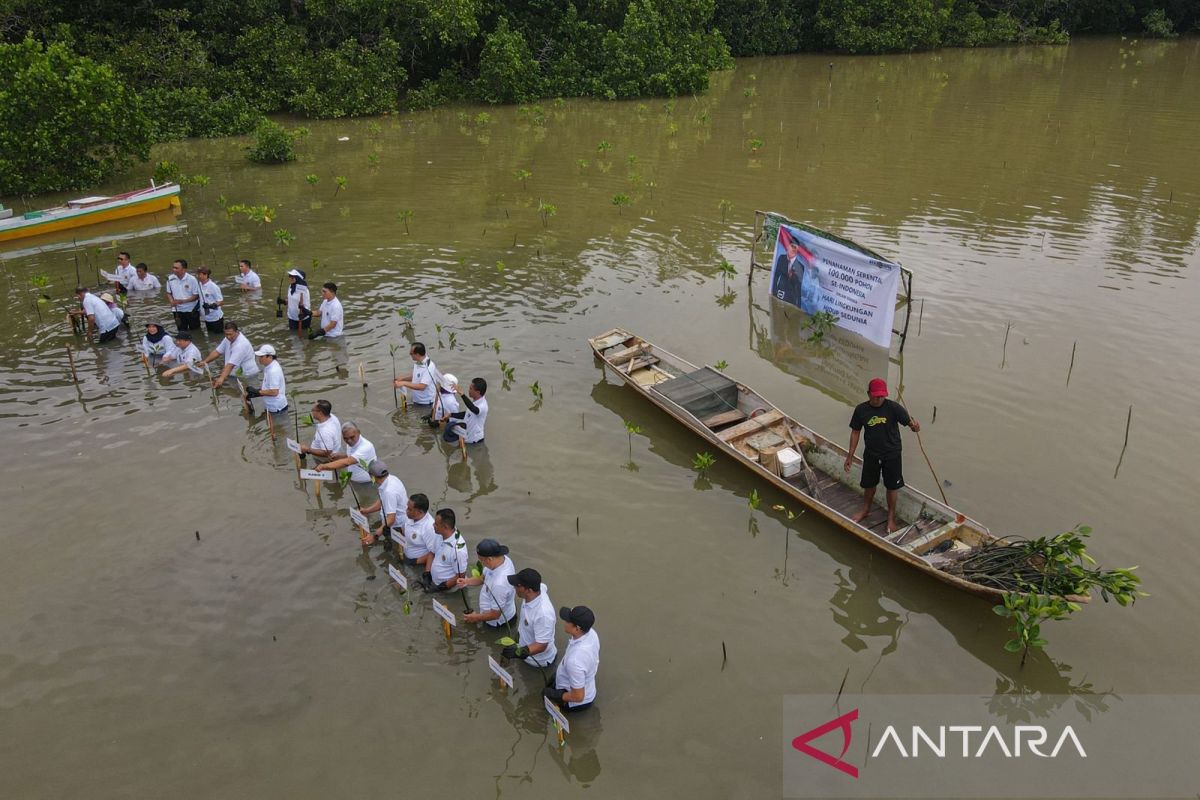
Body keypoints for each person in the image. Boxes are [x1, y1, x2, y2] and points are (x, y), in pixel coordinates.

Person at [844, 378, 921, 533]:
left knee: (892, 486)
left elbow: (911, 426)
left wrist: (915, 427)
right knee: (869, 484)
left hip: (892, 454)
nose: (879, 399)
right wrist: (850, 455)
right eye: (875, 396)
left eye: (881, 396)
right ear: (868, 394)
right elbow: (855, 432)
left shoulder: (894, 408)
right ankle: (865, 510)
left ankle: (891, 517)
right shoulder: (861, 410)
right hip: (872, 453)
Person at [544, 606, 600, 712]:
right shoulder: (591, 634)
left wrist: (558, 696)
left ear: (577, 628)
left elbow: (578, 696)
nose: (565, 622)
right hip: (583, 685)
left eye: (568, 621)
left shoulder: (575, 660)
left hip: (574, 702)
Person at [502, 568, 558, 668]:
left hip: (538, 662)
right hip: (524, 646)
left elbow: (541, 646)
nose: (514, 587)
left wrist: (517, 653)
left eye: (518, 586)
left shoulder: (543, 614)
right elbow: (544, 586)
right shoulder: (539, 588)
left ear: (529, 590)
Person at [456, 538, 516, 628]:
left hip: (498, 623)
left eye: (481, 560)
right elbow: (482, 579)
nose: (481, 562)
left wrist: (475, 617)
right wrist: (466, 581)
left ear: (489, 559)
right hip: (490, 611)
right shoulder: (502, 559)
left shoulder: (500, 584)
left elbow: (495, 615)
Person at [358, 460, 407, 545]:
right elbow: (382, 501)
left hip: (397, 526)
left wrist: (375, 536)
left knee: (393, 547)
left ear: (373, 477)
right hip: (395, 521)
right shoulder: (392, 478)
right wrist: (366, 511)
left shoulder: (389, 491)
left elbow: (391, 519)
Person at [202, 321, 259, 389]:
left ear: (237, 332)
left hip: (247, 375)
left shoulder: (241, 345)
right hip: (234, 372)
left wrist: (221, 379)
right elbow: (217, 352)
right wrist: (205, 362)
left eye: (230, 334)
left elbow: (231, 365)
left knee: (244, 393)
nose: (228, 337)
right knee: (233, 389)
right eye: (226, 334)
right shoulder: (227, 339)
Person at [421, 508, 467, 592]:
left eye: (436, 524)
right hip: (434, 584)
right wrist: (427, 573)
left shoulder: (458, 550)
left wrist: (442, 587)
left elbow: (461, 575)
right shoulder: (439, 533)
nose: (433, 525)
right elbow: (432, 553)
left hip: (450, 590)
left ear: (445, 527)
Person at [393, 342, 441, 409]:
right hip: (416, 400)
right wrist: (402, 379)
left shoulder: (429, 367)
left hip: (426, 403)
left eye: (411, 353)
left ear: (417, 354)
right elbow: (416, 376)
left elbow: (422, 387)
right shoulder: (418, 363)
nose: (409, 354)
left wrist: (403, 383)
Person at [444, 377, 488, 445]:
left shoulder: (483, 405)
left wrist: (461, 394)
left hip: (474, 442)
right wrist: (451, 414)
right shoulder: (475, 401)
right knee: (448, 430)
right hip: (466, 437)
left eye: (471, 389)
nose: (468, 390)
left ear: (478, 392)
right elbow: (467, 414)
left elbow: (473, 409)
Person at [245, 344, 287, 413]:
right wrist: (256, 393)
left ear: (270, 357)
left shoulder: (273, 371)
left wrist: (257, 392)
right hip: (271, 406)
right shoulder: (270, 366)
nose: (259, 359)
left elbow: (274, 392)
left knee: (276, 424)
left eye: (262, 356)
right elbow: (269, 387)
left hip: (276, 409)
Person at [397, 493, 437, 565]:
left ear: (420, 512)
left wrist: (414, 562)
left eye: (410, 509)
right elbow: (403, 531)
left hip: (417, 564)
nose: (406, 510)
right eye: (407, 507)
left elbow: (433, 553)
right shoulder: (409, 516)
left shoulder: (429, 528)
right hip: (404, 556)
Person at [166, 259, 201, 330]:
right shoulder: (170, 278)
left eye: (176, 268)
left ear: (184, 269)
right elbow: (169, 293)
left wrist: (182, 301)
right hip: (177, 310)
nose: (174, 269)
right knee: (181, 331)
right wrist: (171, 301)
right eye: (173, 267)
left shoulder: (192, 279)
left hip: (191, 310)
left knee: (195, 330)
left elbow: (196, 296)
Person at [196, 266, 225, 334]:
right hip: (206, 317)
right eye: (198, 274)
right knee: (210, 334)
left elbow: (221, 302)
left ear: (206, 275)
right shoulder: (199, 284)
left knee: (218, 336)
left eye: (200, 274)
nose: (198, 276)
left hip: (215, 317)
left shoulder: (213, 287)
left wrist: (211, 305)